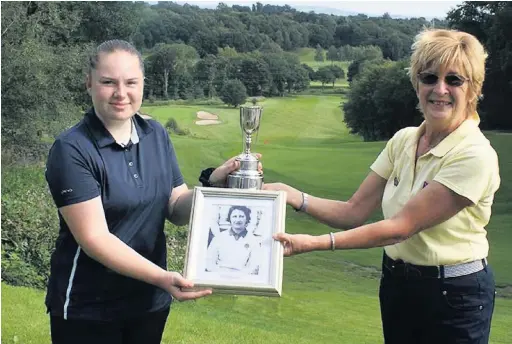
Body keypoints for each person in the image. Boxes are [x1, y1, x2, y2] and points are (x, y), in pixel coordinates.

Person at [265, 28, 500, 344]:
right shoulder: (404, 140)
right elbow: (353, 211)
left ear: (472, 89)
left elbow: (400, 228)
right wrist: (294, 196)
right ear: (416, 83)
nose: (440, 89)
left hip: (455, 297)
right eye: (429, 78)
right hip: (397, 286)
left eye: (454, 80)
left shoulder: (475, 154)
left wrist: (314, 243)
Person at [44, 40, 250, 344]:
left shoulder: (156, 135)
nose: (121, 93)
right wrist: (163, 278)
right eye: (108, 82)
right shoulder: (72, 149)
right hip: (87, 309)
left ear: (143, 84)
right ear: (89, 83)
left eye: (131, 82)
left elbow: (176, 208)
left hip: (148, 304)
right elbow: (94, 239)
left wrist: (215, 186)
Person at [205, 205, 262, 275]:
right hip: (219, 276)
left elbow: (254, 267)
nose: (238, 220)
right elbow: (209, 262)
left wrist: (238, 275)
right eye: (234, 216)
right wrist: (222, 273)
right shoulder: (219, 237)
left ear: (247, 219)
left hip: (242, 279)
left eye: (241, 216)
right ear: (230, 219)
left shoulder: (253, 240)